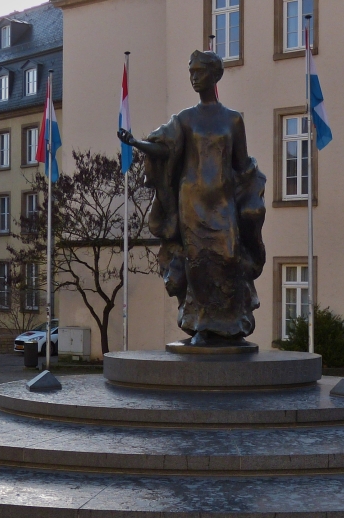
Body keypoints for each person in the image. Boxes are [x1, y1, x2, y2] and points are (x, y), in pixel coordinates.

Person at [117, 50, 267, 347]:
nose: (193, 77)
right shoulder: (185, 119)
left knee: (228, 257)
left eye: (199, 71)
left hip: (223, 201)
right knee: (197, 263)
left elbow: (241, 165)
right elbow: (166, 149)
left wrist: (252, 194)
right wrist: (137, 143)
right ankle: (201, 324)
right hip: (191, 203)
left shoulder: (233, 120)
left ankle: (232, 324)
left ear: (215, 75)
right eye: (191, 72)